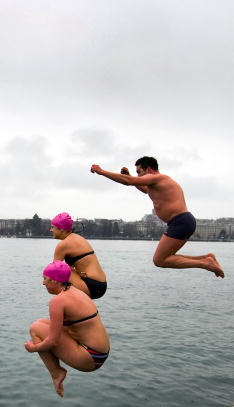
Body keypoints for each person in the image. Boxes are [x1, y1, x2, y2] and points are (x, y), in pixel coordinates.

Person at [90, 156, 224, 278]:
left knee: (159, 260)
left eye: (139, 172)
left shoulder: (159, 178)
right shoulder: (155, 184)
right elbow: (142, 188)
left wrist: (102, 172)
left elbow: (129, 182)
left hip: (180, 221)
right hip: (181, 222)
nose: (138, 176)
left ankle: (205, 264)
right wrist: (131, 176)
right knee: (164, 258)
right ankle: (206, 258)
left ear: (148, 169)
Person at [24, 260, 110, 398]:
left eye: (45, 279)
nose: (43, 283)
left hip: (90, 357)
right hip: (100, 351)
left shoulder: (58, 301)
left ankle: (56, 373)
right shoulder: (76, 291)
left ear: (56, 281)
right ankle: (57, 371)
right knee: (40, 322)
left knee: (35, 328)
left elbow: (52, 341)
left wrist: (32, 348)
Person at [50, 212, 107, 299]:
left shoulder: (63, 245)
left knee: (58, 269)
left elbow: (54, 271)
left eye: (52, 227)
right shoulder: (77, 238)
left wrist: (47, 283)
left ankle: (62, 304)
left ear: (61, 228)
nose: (51, 230)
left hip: (92, 285)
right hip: (100, 283)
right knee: (65, 268)